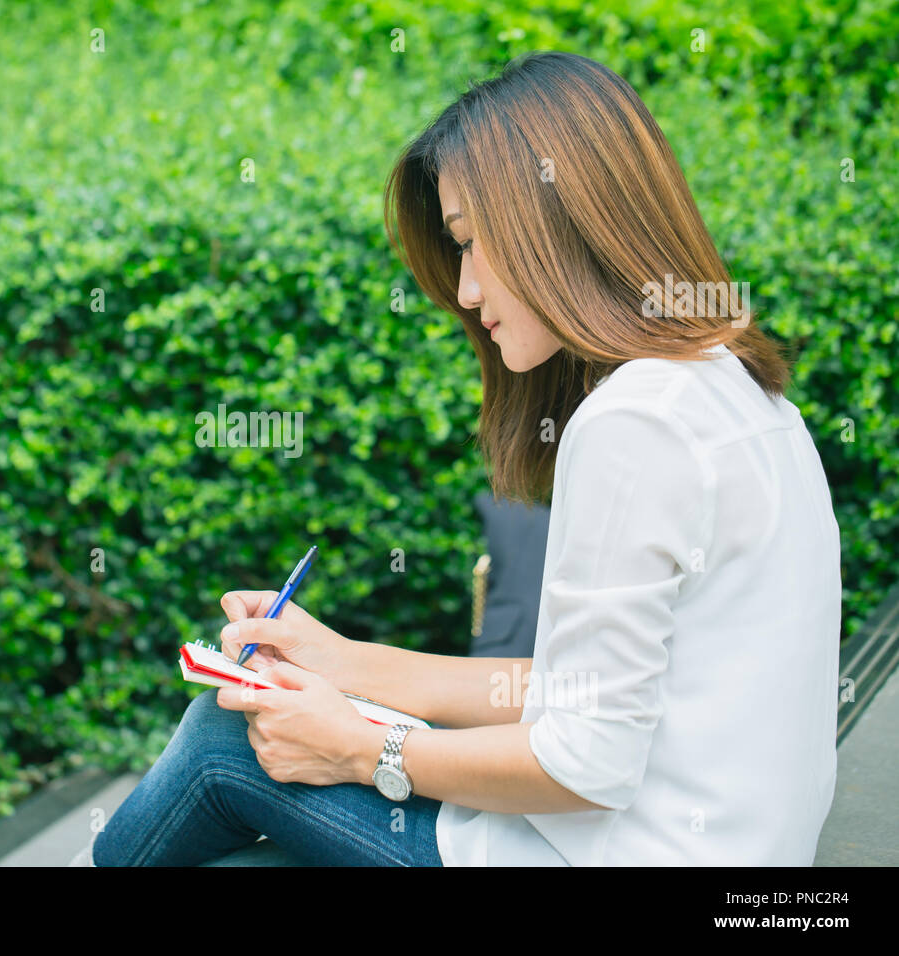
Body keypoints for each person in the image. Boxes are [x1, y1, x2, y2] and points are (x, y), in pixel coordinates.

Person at [81, 51, 840, 866]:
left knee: (225, 733)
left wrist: (361, 750)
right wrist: (345, 664)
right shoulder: (741, 393)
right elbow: (571, 693)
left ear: (559, 222)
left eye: (472, 244)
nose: (468, 292)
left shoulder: (635, 423)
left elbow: (583, 763)